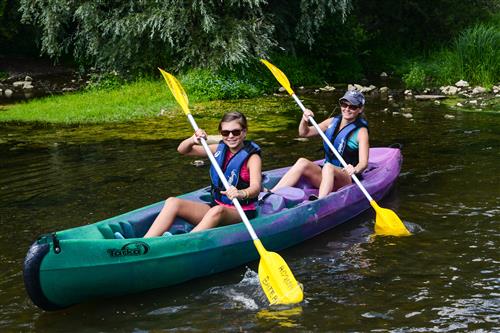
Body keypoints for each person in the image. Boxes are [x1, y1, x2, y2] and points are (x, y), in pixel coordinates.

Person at [143, 111, 262, 237]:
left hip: (241, 211)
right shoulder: (218, 149)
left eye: (236, 132)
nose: (230, 136)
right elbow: (183, 150)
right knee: (173, 202)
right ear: (221, 134)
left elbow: (256, 188)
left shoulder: (252, 158)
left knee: (217, 211)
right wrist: (193, 139)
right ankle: (146, 242)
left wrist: (241, 193)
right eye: (225, 133)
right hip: (217, 205)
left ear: (244, 132)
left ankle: (182, 242)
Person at [271, 90, 369, 199]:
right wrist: (304, 120)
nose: (347, 109)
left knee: (328, 167)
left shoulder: (361, 132)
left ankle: (321, 200)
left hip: (345, 178)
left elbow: (363, 163)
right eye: (344, 104)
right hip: (327, 174)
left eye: (352, 107)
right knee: (302, 162)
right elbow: (304, 132)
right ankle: (271, 193)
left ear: (360, 109)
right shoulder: (332, 121)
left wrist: (355, 169)